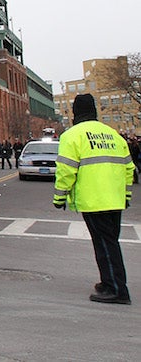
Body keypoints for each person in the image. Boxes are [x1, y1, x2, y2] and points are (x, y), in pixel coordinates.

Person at [53, 93, 134, 305]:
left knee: (105, 245)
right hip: (115, 200)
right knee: (109, 242)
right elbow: (129, 169)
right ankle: (109, 282)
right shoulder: (114, 135)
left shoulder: (72, 136)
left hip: (94, 200)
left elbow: (66, 171)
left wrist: (59, 197)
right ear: (95, 111)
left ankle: (116, 289)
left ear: (74, 112)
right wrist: (125, 195)